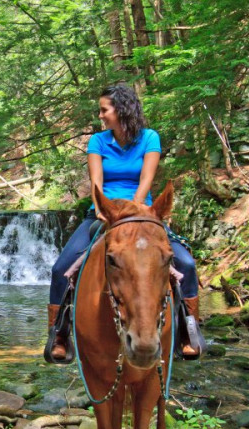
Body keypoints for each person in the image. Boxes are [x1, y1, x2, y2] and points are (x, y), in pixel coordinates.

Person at [46, 84, 201, 361]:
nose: (101, 115)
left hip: (143, 213)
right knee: (61, 269)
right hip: (105, 213)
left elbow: (146, 180)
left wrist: (134, 209)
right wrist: (103, 209)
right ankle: (59, 334)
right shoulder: (98, 141)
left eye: (104, 110)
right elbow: (96, 182)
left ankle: (189, 331)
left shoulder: (150, 138)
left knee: (186, 264)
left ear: (121, 109)